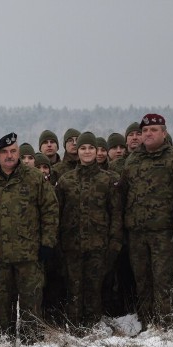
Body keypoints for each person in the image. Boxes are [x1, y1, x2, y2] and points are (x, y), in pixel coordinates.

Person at [0, 133, 59, 340]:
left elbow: (50, 211)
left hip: (29, 257)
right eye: (4, 152)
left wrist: (47, 243)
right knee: (0, 309)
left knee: (31, 307)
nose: (9, 156)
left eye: (13, 151)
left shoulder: (34, 178)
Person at [120, 114, 173, 329]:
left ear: (164, 133)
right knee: (142, 280)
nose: (148, 134)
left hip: (164, 233)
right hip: (137, 233)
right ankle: (147, 323)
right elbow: (124, 193)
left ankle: (165, 324)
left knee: (163, 281)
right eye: (145, 131)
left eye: (154, 130)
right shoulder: (133, 159)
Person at [55, 132, 123, 328]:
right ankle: (75, 327)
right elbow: (57, 215)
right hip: (71, 246)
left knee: (94, 288)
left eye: (90, 148)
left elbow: (116, 214)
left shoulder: (108, 181)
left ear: (96, 151)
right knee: (73, 289)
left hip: (98, 245)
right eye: (83, 148)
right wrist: (57, 244)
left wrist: (114, 243)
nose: (87, 152)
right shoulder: (66, 181)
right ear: (78, 151)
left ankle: (92, 328)